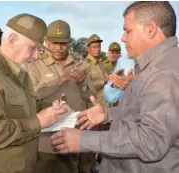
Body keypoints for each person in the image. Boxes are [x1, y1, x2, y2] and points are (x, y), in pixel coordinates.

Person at [51, 1, 179, 173]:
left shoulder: (164, 73)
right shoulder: (155, 66)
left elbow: (151, 142)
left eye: (128, 30)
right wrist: (108, 114)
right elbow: (144, 113)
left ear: (150, 29)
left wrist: (83, 140)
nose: (122, 38)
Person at [0, 13, 71, 173]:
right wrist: (40, 121)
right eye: (32, 48)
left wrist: (52, 113)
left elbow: (23, 113)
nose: (36, 56)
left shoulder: (21, 74)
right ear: (12, 39)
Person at [27, 20, 95, 173]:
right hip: (44, 142)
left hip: (70, 139)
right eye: (54, 42)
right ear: (46, 42)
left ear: (69, 42)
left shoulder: (80, 65)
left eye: (63, 43)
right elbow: (31, 97)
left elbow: (91, 97)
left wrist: (81, 83)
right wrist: (59, 81)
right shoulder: (34, 67)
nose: (58, 47)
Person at [85, 34, 109, 107]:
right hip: (95, 105)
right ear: (88, 49)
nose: (98, 49)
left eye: (99, 46)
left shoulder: (101, 62)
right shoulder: (85, 64)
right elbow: (86, 86)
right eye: (94, 47)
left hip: (106, 103)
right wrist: (104, 81)